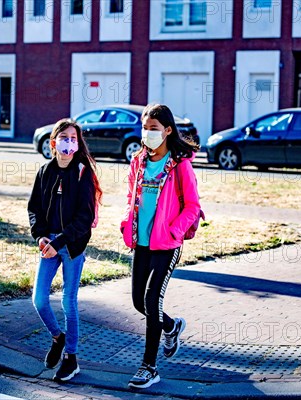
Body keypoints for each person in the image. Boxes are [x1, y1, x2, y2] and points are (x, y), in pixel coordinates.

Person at [120, 104, 204, 389]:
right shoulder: (138, 161)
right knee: (137, 301)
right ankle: (171, 326)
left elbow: (193, 207)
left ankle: (149, 367)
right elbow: (131, 197)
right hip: (141, 243)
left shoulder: (180, 164)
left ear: (168, 130)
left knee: (152, 299)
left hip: (167, 244)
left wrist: (174, 230)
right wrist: (125, 223)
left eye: (153, 129)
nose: (148, 133)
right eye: (145, 128)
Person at [28, 118, 102, 382]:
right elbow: (34, 209)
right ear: (53, 142)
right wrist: (40, 238)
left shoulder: (83, 173)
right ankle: (58, 338)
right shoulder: (45, 172)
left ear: (77, 143)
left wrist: (57, 243)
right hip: (48, 244)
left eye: (73, 138)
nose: (68, 142)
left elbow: (84, 218)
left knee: (68, 302)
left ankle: (71, 358)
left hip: (71, 246)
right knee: (39, 300)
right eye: (64, 137)